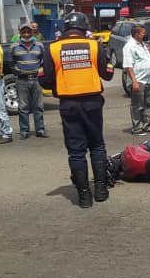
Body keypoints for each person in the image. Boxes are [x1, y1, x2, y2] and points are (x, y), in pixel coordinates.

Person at [39, 11, 114, 207]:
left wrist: (58, 84)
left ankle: (84, 196)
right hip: (92, 103)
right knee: (97, 145)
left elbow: (44, 79)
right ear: (84, 27)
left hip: (68, 104)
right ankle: (100, 189)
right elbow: (108, 74)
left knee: (76, 152)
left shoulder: (53, 48)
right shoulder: (95, 45)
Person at [12, 23, 47, 139]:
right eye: (24, 32)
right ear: (20, 33)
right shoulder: (14, 46)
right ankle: (24, 131)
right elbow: (12, 62)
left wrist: (41, 74)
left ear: (32, 33)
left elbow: (43, 61)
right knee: (23, 107)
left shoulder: (39, 45)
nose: (26, 34)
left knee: (38, 107)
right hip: (22, 81)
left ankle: (40, 129)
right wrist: (17, 71)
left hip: (36, 80)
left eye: (28, 32)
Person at [123, 24, 150, 135]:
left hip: (148, 79)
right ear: (136, 34)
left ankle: (146, 126)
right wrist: (134, 81)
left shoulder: (142, 44)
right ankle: (137, 128)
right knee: (137, 105)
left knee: (148, 103)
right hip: (139, 80)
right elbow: (128, 65)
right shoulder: (129, 46)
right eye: (143, 33)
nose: (144, 35)